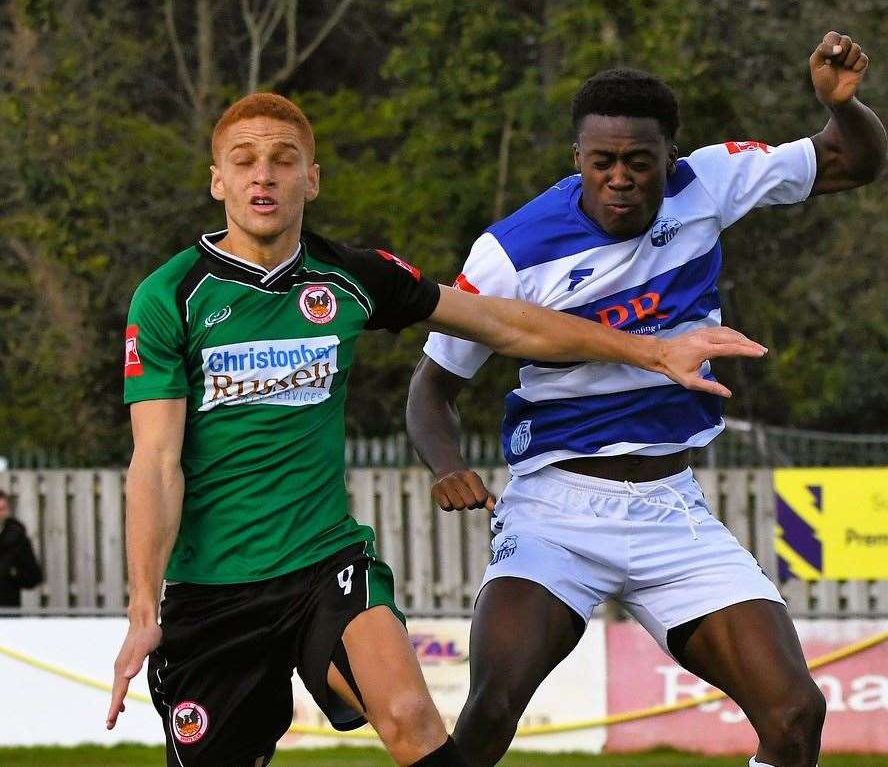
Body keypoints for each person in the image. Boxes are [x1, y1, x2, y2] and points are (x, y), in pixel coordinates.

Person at [104, 92, 768, 767]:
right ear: (217, 179)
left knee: (411, 714)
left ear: (313, 177)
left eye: (283, 160)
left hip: (324, 565)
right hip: (214, 593)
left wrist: (654, 352)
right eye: (243, 162)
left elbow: (507, 322)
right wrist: (140, 611)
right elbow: (157, 464)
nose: (262, 177)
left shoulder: (354, 277)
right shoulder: (171, 298)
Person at [407, 32, 887, 767]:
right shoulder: (509, 253)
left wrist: (839, 107)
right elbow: (431, 387)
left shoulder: (712, 181)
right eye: (602, 162)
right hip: (553, 513)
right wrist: (445, 464)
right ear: (577, 160)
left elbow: (855, 160)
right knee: (490, 708)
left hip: (672, 510)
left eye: (639, 162)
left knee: (795, 715)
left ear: (671, 157)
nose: (620, 179)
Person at [0, 490, 43, 609]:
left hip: (7, 609)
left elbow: (33, 577)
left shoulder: (18, 538)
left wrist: (13, 572)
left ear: (8, 510)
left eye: (2, 509)